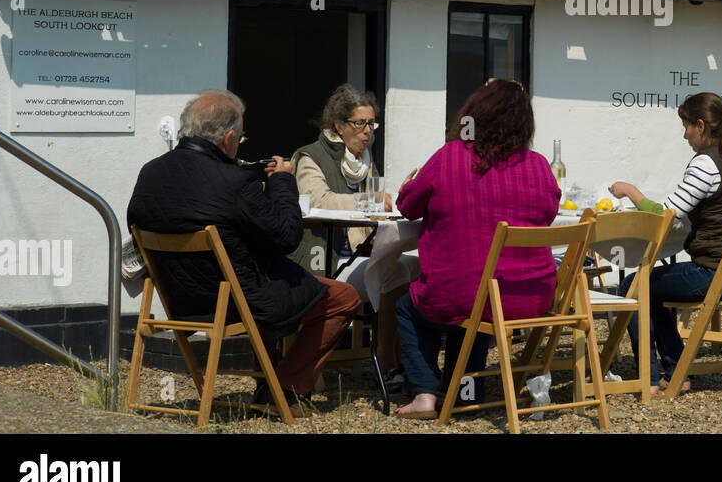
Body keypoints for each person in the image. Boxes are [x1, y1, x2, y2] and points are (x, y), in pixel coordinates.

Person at [128, 89, 361, 418]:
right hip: (236, 303)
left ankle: (269, 382)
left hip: (179, 300)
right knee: (344, 296)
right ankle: (284, 389)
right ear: (227, 138)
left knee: (262, 280)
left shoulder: (149, 173)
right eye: (240, 137)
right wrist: (282, 181)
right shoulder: (234, 181)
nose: (239, 144)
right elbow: (286, 237)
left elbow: (137, 224)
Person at [392, 79, 559, 418]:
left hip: (466, 294)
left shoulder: (450, 156)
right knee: (484, 292)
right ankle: (466, 392)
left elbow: (408, 205)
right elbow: (550, 212)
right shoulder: (540, 166)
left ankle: (425, 393)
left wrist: (408, 184)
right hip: (528, 296)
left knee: (412, 306)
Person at [609, 92, 722, 396]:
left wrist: (629, 190)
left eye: (686, 127)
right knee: (651, 286)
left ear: (700, 125)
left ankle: (651, 380)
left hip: (717, 274)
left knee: (633, 284)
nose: (684, 135)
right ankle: (676, 372)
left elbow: (664, 216)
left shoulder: (706, 165)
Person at [292, 84, 415, 383]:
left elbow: (371, 207)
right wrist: (370, 201)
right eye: (360, 123)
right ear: (338, 125)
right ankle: (386, 362)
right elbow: (318, 202)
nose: (367, 131)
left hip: (357, 253)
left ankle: (397, 358)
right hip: (321, 257)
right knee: (395, 273)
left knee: (412, 266)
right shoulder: (309, 157)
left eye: (371, 123)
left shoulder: (363, 161)